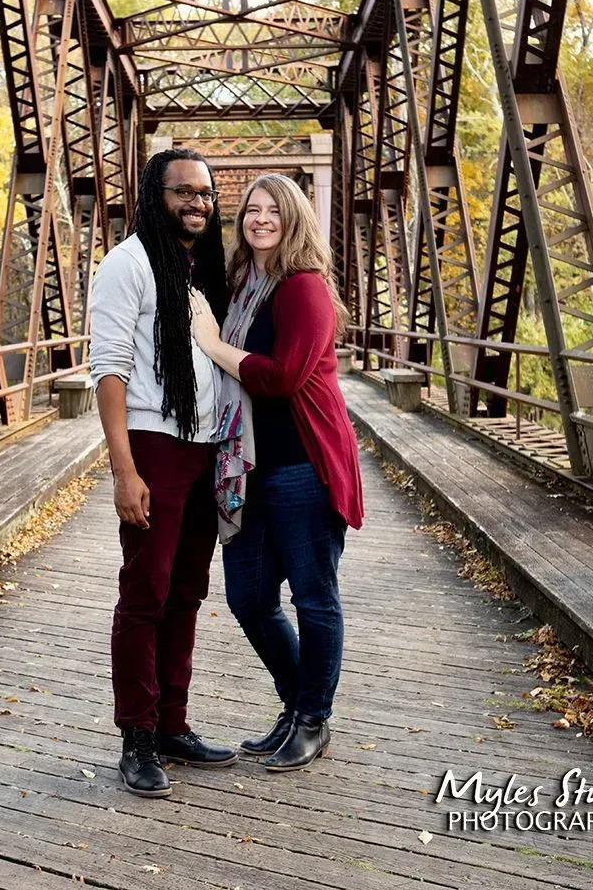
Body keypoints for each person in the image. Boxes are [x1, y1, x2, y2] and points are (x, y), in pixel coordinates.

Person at [188, 173, 364, 772]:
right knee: (249, 597)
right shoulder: (245, 284)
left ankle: (312, 719)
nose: (260, 219)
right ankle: (298, 705)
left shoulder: (303, 288)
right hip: (248, 468)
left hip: (301, 466)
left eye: (274, 211)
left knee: (315, 598)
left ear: (294, 219)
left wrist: (214, 346)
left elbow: (284, 377)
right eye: (251, 211)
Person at [87, 148, 238, 798]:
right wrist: (124, 470)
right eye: (183, 192)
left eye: (204, 193)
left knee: (187, 593)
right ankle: (137, 738)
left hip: (205, 449)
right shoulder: (128, 265)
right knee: (145, 592)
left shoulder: (201, 269)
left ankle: (173, 724)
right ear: (155, 195)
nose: (196, 203)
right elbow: (110, 370)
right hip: (155, 445)